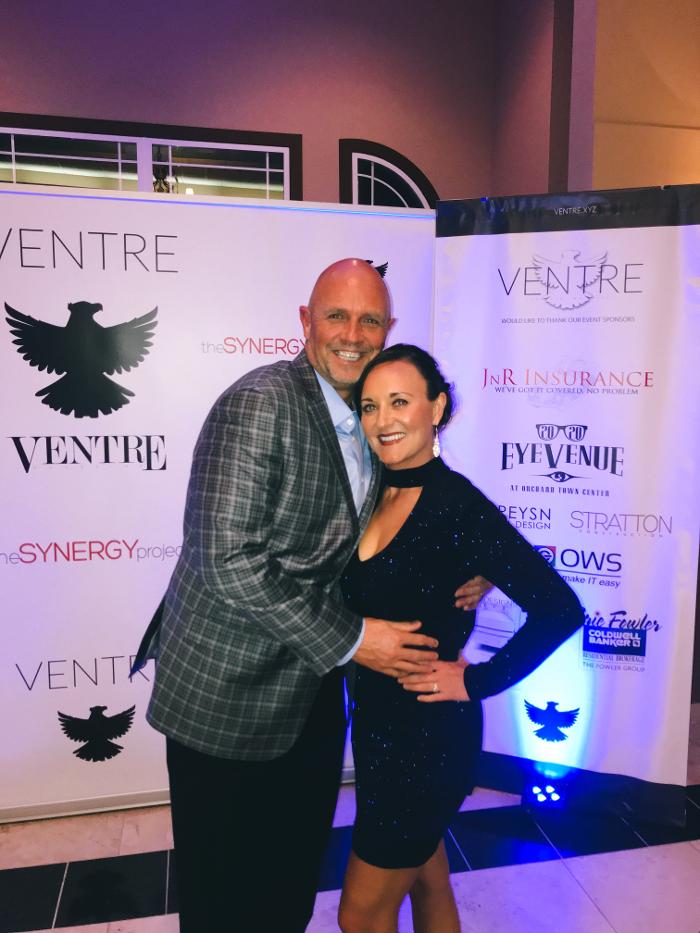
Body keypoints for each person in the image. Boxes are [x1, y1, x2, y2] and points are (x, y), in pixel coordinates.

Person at [135, 259, 487, 932]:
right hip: (227, 693)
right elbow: (225, 558)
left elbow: (400, 523)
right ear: (305, 321)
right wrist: (356, 639)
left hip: (314, 691)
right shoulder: (260, 404)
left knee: (290, 880)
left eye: (370, 320)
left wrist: (469, 563)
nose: (353, 334)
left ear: (388, 328)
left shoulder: (376, 415)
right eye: (336, 316)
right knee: (222, 898)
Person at [338, 344, 584, 933]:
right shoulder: (370, 489)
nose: (383, 420)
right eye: (370, 406)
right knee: (428, 881)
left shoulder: (458, 506)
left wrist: (476, 681)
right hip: (377, 730)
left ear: (437, 407)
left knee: (359, 915)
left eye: (400, 402)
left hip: (426, 740)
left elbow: (559, 609)